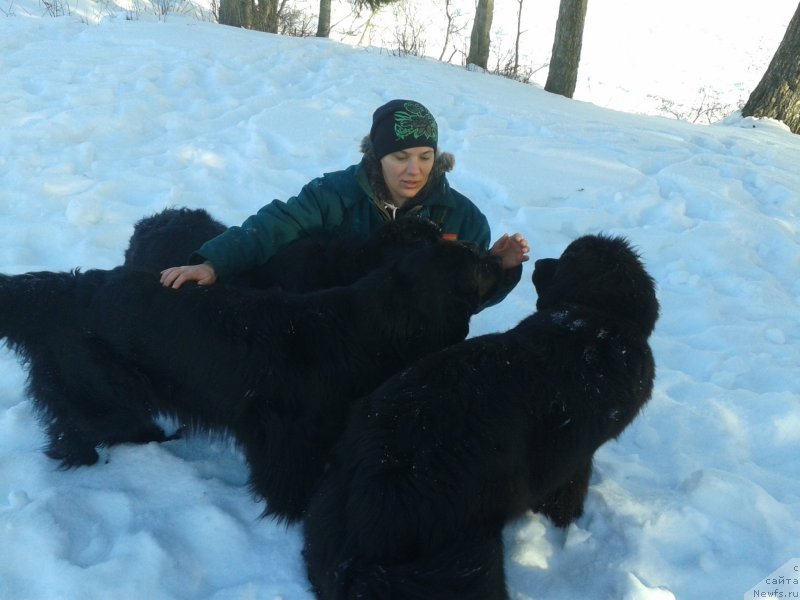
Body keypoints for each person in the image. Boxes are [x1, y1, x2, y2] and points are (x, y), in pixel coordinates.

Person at [160, 99, 529, 308]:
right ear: (377, 156)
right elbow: (276, 224)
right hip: (342, 324)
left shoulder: (464, 219)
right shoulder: (334, 193)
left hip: (414, 339)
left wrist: (500, 269)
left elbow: (468, 300)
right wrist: (214, 262)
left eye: (425, 156)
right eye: (400, 157)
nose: (414, 170)